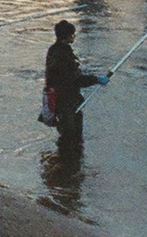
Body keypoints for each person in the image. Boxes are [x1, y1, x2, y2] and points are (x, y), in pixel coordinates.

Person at [43, 21, 104, 157]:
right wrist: (96, 80)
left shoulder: (55, 50)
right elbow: (74, 79)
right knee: (71, 135)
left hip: (64, 98)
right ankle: (68, 162)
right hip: (66, 100)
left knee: (69, 134)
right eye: (72, 34)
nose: (74, 37)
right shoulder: (62, 56)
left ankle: (67, 164)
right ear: (67, 36)